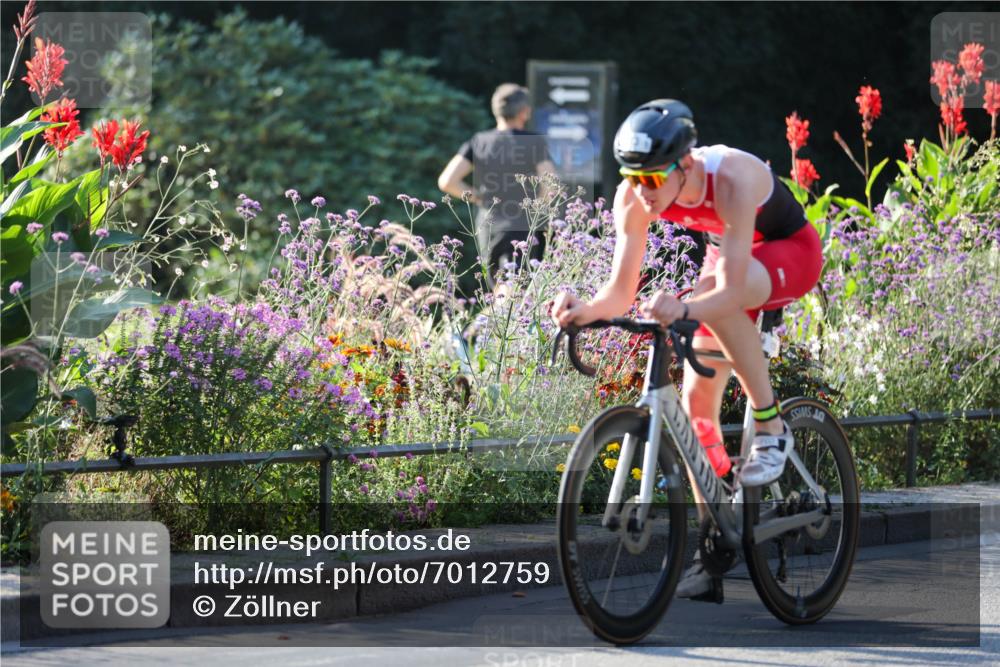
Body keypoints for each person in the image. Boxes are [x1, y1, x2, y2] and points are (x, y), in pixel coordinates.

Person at [550, 99, 822, 599]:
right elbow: (621, 292)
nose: (641, 191)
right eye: (632, 178)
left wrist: (684, 308)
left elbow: (733, 288)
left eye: (653, 179)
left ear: (687, 165)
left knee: (714, 293)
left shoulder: (732, 180)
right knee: (697, 405)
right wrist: (581, 310)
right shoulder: (633, 197)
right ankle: (717, 531)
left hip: (788, 252)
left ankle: (771, 425)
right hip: (730, 264)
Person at [438, 83, 557, 289]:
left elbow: (447, 181)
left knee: (497, 287)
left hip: (489, 224)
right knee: (519, 288)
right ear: (524, 112)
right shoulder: (534, 143)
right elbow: (551, 184)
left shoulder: (479, 142)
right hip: (523, 224)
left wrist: (478, 197)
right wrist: (536, 208)